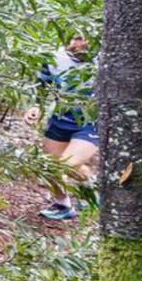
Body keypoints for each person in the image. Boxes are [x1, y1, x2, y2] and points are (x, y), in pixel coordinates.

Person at [24, 34, 99, 221]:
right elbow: (42, 86)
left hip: (91, 123)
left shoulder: (104, 59)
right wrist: (36, 107)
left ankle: (91, 191)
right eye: (77, 38)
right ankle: (63, 204)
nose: (82, 44)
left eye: (87, 39)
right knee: (49, 166)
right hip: (60, 120)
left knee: (67, 164)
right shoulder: (53, 58)